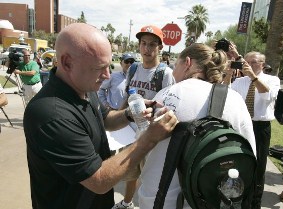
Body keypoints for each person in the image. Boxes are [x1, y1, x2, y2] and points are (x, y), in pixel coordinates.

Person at [23, 23, 178, 209]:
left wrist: (130, 113)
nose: (107, 76)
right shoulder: (51, 114)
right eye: (99, 68)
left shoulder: (84, 87)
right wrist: (149, 139)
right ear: (67, 63)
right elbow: (99, 181)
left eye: (109, 66)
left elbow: (105, 119)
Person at [138, 43, 256, 209]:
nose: (173, 71)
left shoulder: (165, 95)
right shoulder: (235, 100)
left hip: (160, 200)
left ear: (187, 62)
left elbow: (144, 151)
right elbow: (250, 155)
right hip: (212, 201)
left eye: (176, 65)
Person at [112, 25, 175, 209]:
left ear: (160, 47)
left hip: (152, 135)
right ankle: (127, 203)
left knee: (150, 176)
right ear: (139, 46)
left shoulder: (165, 73)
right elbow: (126, 98)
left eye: (152, 44)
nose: (147, 49)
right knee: (130, 173)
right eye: (144, 44)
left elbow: (170, 107)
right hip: (130, 133)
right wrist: (118, 120)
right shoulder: (133, 69)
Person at [224, 51, 280, 209]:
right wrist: (228, 75)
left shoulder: (272, 79)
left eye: (253, 62)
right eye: (245, 62)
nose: (248, 64)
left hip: (260, 127)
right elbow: (225, 93)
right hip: (240, 125)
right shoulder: (239, 81)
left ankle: (255, 203)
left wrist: (253, 78)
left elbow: (268, 95)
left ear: (262, 64)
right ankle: (237, 197)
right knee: (238, 161)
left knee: (259, 165)